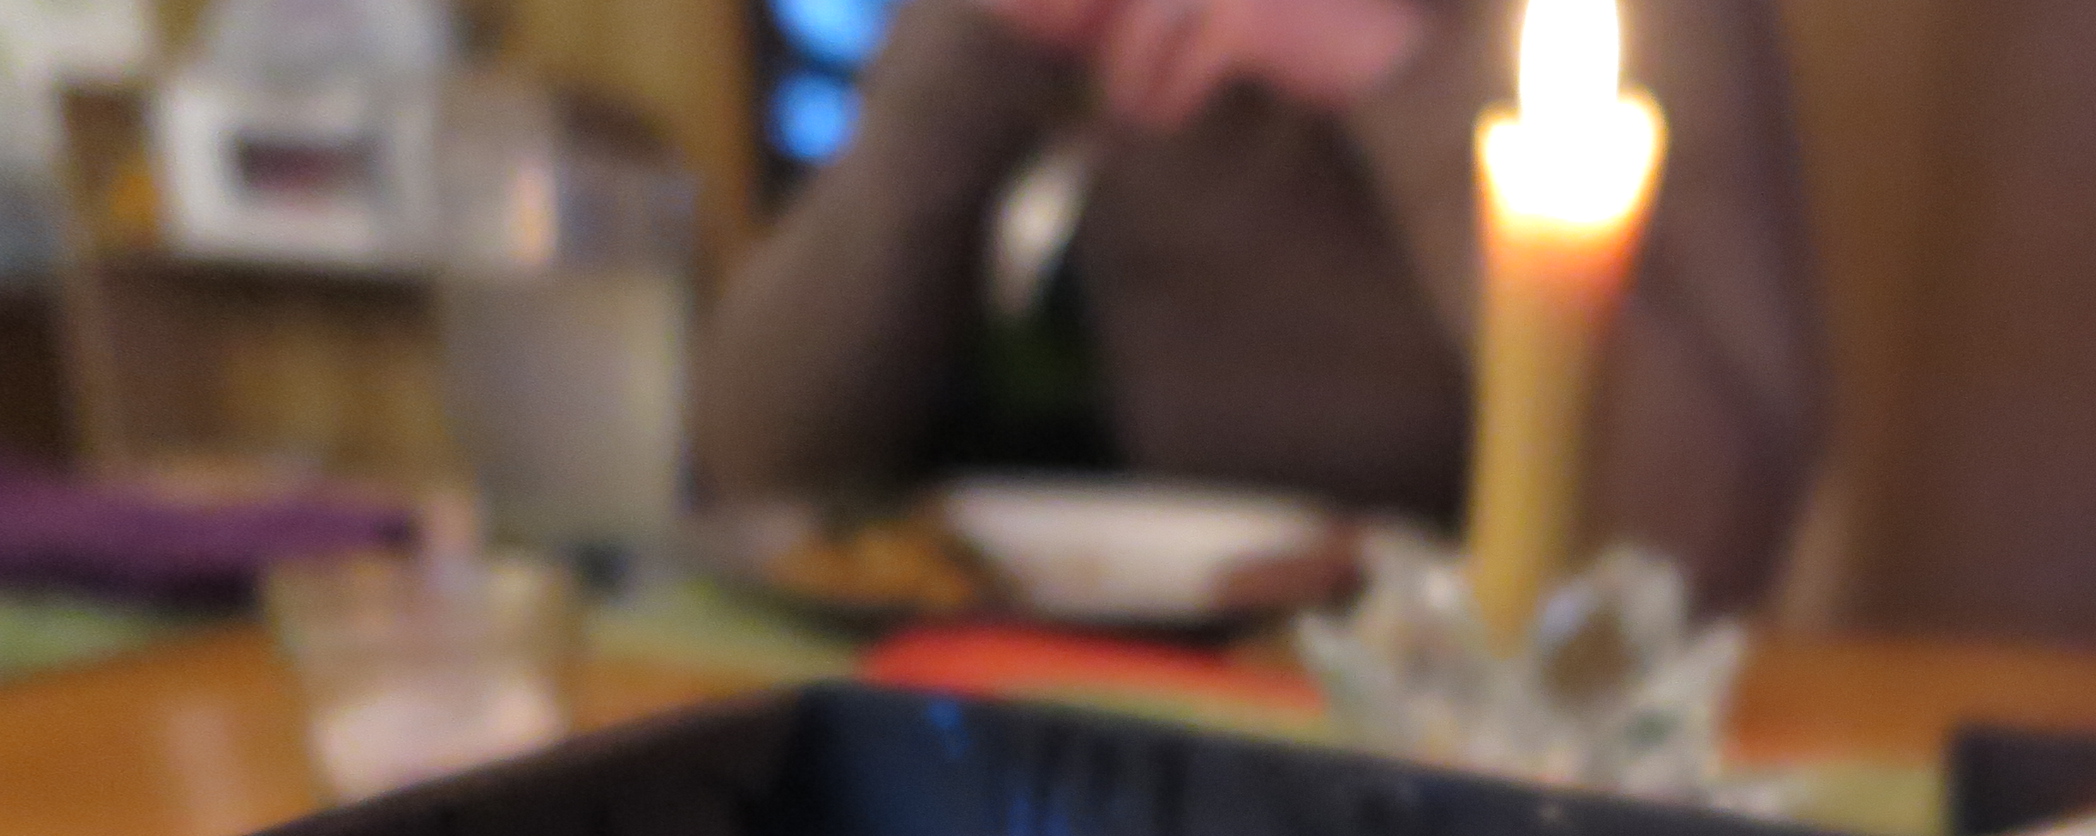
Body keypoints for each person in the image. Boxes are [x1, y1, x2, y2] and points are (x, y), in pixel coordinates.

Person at [696, 0, 1823, 613]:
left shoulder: (1618, 29)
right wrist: (966, 54)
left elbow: (1700, 544)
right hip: (1123, 683)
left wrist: (1392, 70)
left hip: (1468, 704)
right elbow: (757, 459)